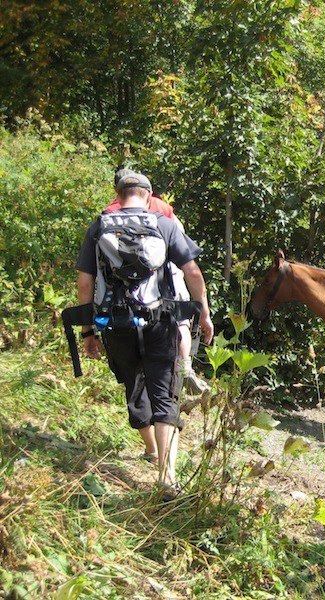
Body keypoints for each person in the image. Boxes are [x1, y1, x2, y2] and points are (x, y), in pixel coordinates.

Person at [76, 171, 213, 498]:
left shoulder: (99, 226)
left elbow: (84, 284)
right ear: (149, 195)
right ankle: (166, 476)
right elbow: (192, 272)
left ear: (119, 194)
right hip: (159, 321)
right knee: (165, 391)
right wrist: (203, 312)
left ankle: (150, 448)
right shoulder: (163, 224)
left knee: (133, 381)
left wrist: (88, 331)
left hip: (116, 324)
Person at [106, 168, 208, 397]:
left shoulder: (110, 212)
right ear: (146, 190)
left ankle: (141, 374)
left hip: (126, 286)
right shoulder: (161, 207)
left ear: (117, 189)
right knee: (180, 316)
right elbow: (181, 238)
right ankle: (185, 366)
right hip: (168, 268)